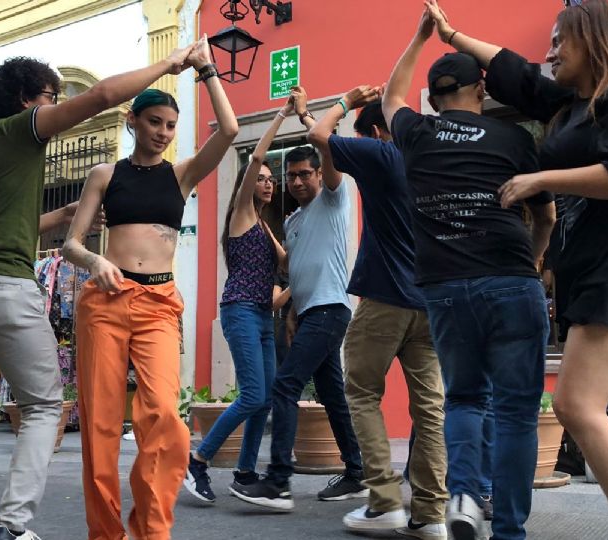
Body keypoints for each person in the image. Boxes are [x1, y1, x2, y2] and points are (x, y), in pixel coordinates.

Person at [423, 1, 608, 539]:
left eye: (559, 42)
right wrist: (451, 34)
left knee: (575, 403)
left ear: (591, 39)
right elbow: (515, 74)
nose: (549, 53)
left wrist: (538, 180)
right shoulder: (572, 104)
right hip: (597, 262)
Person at [0, 42, 201, 540]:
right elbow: (105, 93)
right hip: (1, 287)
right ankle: (11, 526)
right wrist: (170, 64)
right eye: (50, 95)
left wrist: (63, 217)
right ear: (27, 100)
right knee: (45, 406)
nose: (55, 103)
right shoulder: (22, 131)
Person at [383, 5, 557, 539]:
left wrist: (417, 39)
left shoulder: (415, 133)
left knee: (462, 397)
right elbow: (545, 214)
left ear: (435, 97)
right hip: (508, 277)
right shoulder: (514, 140)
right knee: (516, 413)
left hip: (444, 287)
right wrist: (533, 259)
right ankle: (507, 529)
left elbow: (391, 97)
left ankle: (462, 494)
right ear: (480, 90)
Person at [60, 38, 238, 540]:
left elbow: (227, 131)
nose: (162, 132)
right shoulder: (104, 174)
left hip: (159, 303)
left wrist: (206, 70)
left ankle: (151, 528)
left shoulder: (180, 176)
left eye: (170, 126)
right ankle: (105, 533)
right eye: (154, 122)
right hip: (105, 302)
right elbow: (72, 244)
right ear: (132, 123)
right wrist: (96, 261)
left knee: (165, 417)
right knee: (99, 428)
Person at [305, 94, 449, 538]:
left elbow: (320, 138)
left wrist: (345, 101)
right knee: (431, 409)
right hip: (430, 304)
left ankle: (385, 501)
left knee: (362, 392)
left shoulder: (384, 153)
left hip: (385, 298)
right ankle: (430, 515)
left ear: (376, 133)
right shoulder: (433, 164)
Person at [231, 88, 365, 511]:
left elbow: (327, 149)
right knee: (331, 393)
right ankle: (357, 472)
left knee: (285, 385)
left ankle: (278, 483)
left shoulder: (335, 198)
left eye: (306, 173)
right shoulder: (292, 220)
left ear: (318, 175)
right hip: (309, 314)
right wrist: (290, 309)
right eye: (292, 176)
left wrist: (310, 117)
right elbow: (295, 270)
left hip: (331, 308)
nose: (299, 181)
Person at [183, 98, 289, 503]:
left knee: (264, 400)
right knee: (251, 395)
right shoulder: (242, 212)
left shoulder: (266, 225)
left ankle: (245, 472)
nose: (267, 181)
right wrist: (280, 115)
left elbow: (286, 271)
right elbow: (258, 152)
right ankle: (198, 459)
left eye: (269, 179)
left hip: (263, 314)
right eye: (259, 177)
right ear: (248, 180)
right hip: (240, 311)